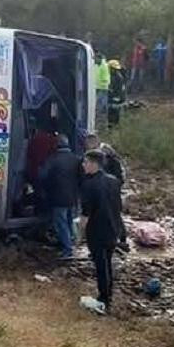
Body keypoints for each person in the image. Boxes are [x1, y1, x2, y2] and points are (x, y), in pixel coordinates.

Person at [80, 149, 124, 311]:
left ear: (93, 164)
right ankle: (108, 293)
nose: (83, 166)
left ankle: (104, 298)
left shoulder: (88, 184)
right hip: (113, 227)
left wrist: (79, 235)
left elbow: (86, 214)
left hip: (97, 229)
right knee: (108, 261)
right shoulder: (113, 181)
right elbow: (118, 206)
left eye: (85, 162)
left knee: (100, 264)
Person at [39, 134, 83, 259]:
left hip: (58, 197)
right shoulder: (77, 159)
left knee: (61, 223)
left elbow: (42, 175)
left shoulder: (52, 159)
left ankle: (67, 249)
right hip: (73, 197)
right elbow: (82, 178)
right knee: (69, 220)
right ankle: (73, 243)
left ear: (56, 145)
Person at [107, 59, 127, 127]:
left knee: (115, 114)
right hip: (114, 98)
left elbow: (120, 89)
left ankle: (114, 127)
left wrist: (117, 97)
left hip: (117, 99)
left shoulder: (118, 77)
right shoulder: (113, 76)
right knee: (111, 114)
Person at [94, 53, 110, 125]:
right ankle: (100, 114)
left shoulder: (104, 66)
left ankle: (101, 115)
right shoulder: (96, 65)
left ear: (99, 58)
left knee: (101, 101)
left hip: (103, 87)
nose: (95, 60)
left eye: (96, 59)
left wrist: (104, 84)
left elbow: (105, 77)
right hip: (97, 86)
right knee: (100, 101)